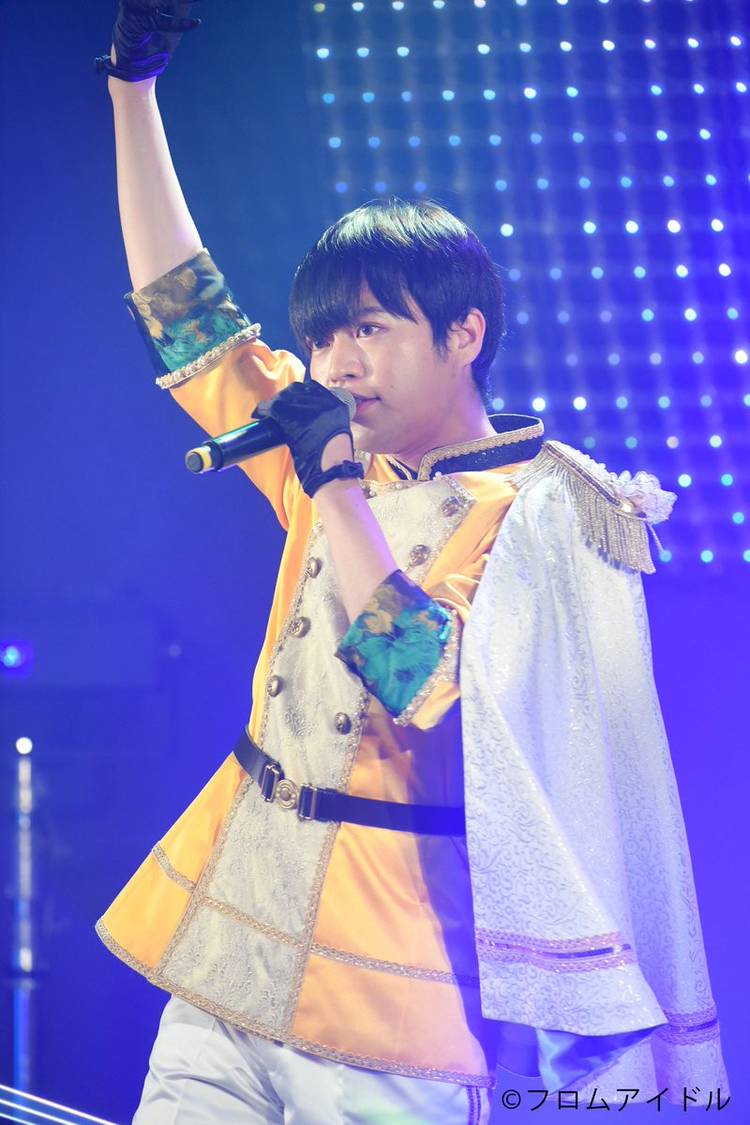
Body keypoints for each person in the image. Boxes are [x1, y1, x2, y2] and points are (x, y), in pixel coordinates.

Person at [94, 4, 730, 1122]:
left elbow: (420, 681)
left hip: (400, 998)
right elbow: (186, 317)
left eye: (370, 330)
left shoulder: (541, 514)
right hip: (232, 950)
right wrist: (131, 95)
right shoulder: (333, 454)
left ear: (464, 333)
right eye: (322, 337)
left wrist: (337, 488)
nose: (337, 364)